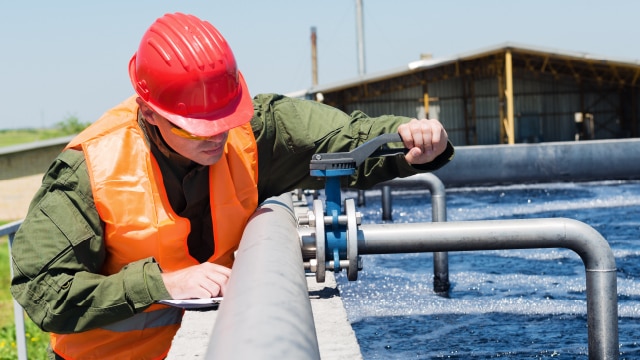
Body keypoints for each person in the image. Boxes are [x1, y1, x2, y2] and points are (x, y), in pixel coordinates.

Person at [10, 12, 454, 360]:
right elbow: (42, 290)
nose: (217, 136)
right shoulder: (88, 171)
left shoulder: (255, 129)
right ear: (150, 113)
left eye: (225, 119)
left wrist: (409, 139)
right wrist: (159, 284)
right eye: (197, 128)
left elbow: (344, 139)